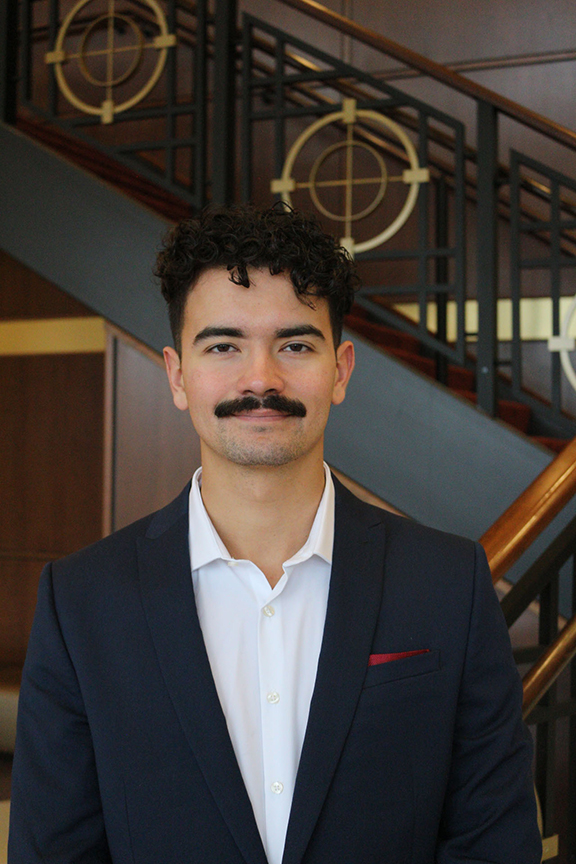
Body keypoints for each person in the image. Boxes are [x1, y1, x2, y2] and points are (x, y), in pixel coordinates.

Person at [9, 205, 540, 864]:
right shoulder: (82, 602)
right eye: (224, 345)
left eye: (295, 344)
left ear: (341, 370)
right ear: (177, 375)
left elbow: (495, 844)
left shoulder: (448, 585)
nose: (261, 379)